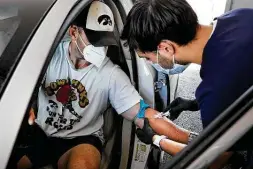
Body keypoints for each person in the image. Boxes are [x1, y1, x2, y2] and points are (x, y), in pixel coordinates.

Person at [12, 1, 194, 169]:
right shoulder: (48, 56)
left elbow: (145, 115)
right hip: (39, 134)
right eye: (94, 40)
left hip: (79, 140)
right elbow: (20, 86)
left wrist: (195, 140)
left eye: (104, 42)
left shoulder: (110, 75)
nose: (101, 49)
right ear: (74, 32)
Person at [121, 0, 253, 167]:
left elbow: (216, 158)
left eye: (148, 58)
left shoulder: (213, 90)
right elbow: (241, 78)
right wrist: (194, 104)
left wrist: (156, 139)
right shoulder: (239, 16)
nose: (150, 63)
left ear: (166, 48)